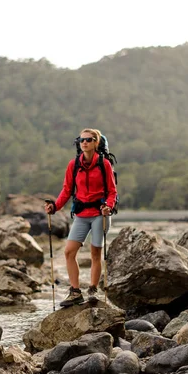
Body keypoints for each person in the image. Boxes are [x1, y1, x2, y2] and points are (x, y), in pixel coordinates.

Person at [44, 128, 118, 306]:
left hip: (100, 214)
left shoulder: (104, 164)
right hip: (81, 215)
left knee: (95, 253)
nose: (84, 142)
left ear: (96, 143)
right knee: (69, 251)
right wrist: (55, 207)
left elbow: (112, 191)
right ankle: (75, 292)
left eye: (89, 139)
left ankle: (92, 290)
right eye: (81, 139)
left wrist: (108, 206)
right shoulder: (73, 165)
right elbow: (67, 190)